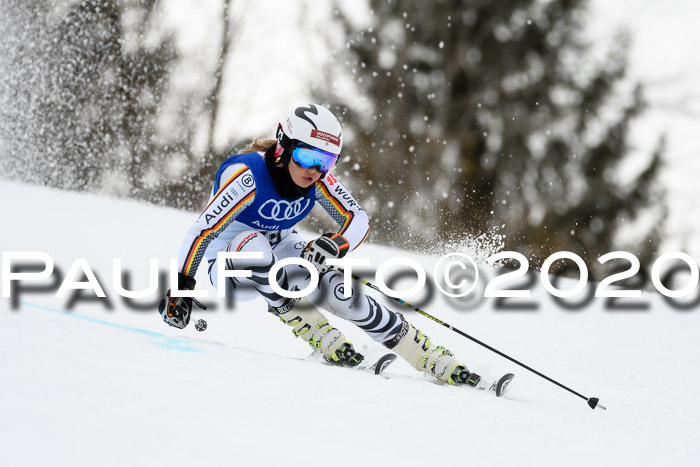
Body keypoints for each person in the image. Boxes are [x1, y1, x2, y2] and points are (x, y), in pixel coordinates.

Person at [158, 103, 480, 385]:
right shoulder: (248, 175)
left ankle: (425, 354)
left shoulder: (318, 180)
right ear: (283, 148)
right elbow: (202, 231)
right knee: (255, 247)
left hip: (279, 248)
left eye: (326, 160)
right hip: (229, 263)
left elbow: (358, 220)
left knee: (338, 288)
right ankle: (312, 327)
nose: (314, 169)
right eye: (306, 155)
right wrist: (181, 288)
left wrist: (336, 245)